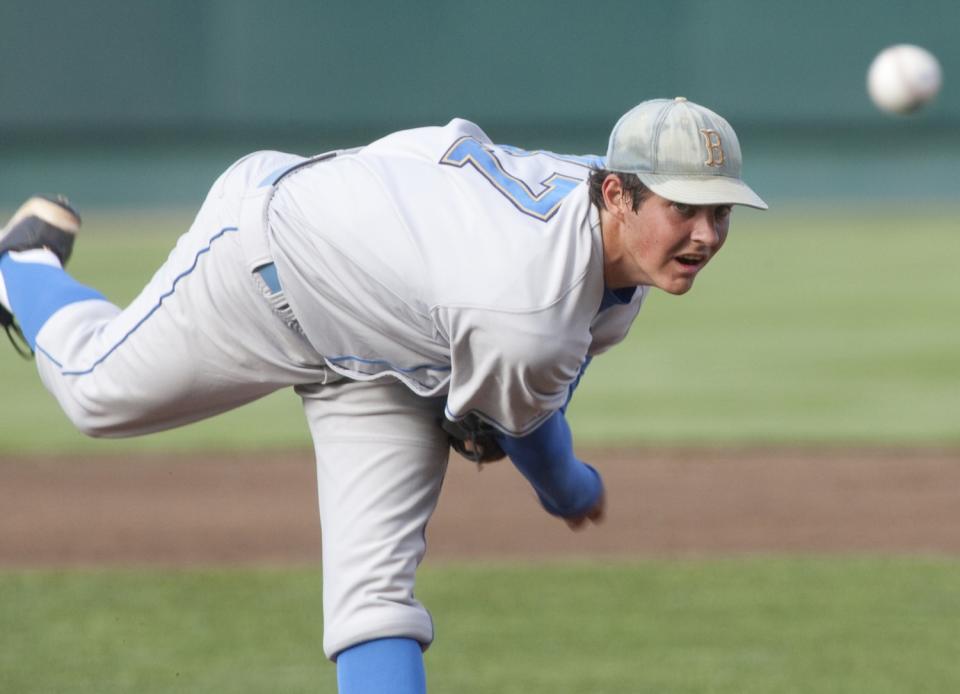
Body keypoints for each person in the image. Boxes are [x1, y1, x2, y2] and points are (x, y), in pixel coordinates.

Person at [0, 96, 766, 693]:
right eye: (682, 209)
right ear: (618, 193)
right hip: (264, 268)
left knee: (375, 596)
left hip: (390, 352)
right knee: (94, 391)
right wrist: (574, 490)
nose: (704, 234)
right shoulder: (527, 309)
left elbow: (551, 356)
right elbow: (540, 437)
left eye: (719, 212)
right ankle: (23, 262)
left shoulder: (593, 230)